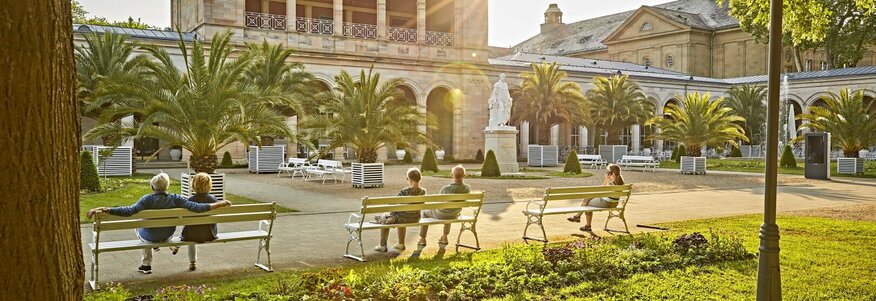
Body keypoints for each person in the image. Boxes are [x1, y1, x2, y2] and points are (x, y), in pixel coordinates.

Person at [86, 172, 231, 274]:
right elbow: (198, 208)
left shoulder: (146, 199)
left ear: (152, 187)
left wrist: (104, 209)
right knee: (155, 228)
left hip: (149, 236)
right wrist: (221, 203)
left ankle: (146, 265)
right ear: (167, 186)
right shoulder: (176, 198)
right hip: (167, 234)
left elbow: (128, 211)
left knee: (139, 226)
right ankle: (161, 245)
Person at [171, 173, 220, 271]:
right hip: (210, 234)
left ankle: (192, 261)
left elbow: (184, 218)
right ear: (209, 186)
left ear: (193, 186)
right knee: (190, 228)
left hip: (192, 235)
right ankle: (178, 246)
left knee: (189, 229)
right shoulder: (214, 200)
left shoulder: (190, 201)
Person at [374, 168, 425, 252]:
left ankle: (382, 245)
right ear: (420, 179)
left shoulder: (404, 192)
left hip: (402, 219)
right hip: (415, 218)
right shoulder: (423, 192)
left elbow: (392, 203)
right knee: (402, 213)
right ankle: (401, 243)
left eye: (407, 178)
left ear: (410, 179)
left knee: (385, 218)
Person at [418, 165, 471, 247]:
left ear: (451, 175)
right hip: (454, 215)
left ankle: (422, 238)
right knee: (450, 210)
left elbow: (438, 201)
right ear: (464, 175)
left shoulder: (445, 189)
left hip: (441, 214)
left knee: (425, 212)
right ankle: (445, 237)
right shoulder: (467, 188)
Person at [566, 164, 625, 232]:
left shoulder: (611, 183)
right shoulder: (621, 182)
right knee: (588, 198)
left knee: (587, 203)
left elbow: (601, 190)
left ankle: (585, 223)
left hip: (606, 203)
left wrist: (606, 179)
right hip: (614, 203)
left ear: (611, 173)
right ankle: (577, 217)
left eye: (608, 172)